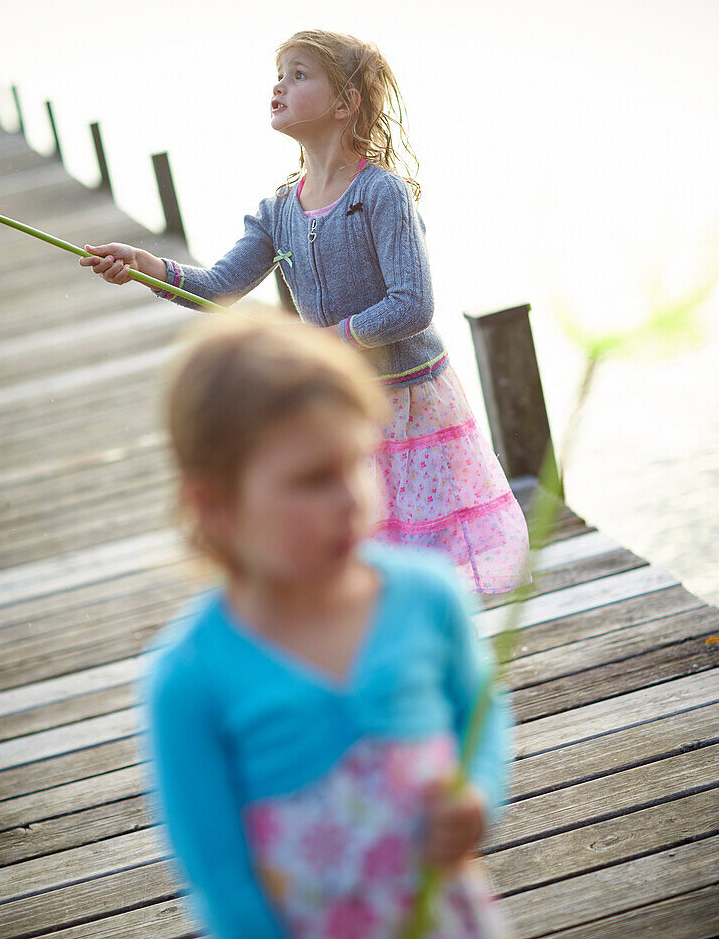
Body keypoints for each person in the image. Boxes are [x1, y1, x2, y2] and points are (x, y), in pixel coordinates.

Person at [82, 30, 529, 595]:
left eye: (299, 75)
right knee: (362, 547)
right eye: (279, 73)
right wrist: (147, 266)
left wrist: (328, 340)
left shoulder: (381, 193)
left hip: (410, 402)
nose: (279, 85)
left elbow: (412, 305)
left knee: (429, 554)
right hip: (341, 405)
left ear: (344, 104)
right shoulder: (277, 210)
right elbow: (218, 287)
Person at [144, 309, 512, 938]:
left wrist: (478, 797)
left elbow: (479, 715)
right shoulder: (189, 681)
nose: (352, 498)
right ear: (214, 504)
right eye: (314, 479)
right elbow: (221, 880)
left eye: (359, 461)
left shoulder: (428, 596)